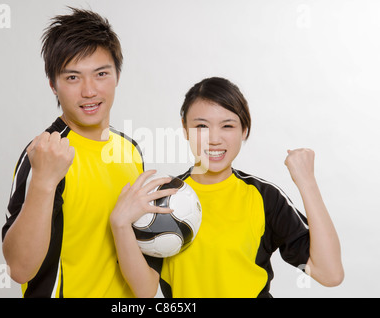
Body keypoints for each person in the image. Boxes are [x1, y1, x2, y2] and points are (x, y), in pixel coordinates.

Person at [110, 77, 344, 297]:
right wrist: (120, 225)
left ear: (244, 130)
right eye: (201, 126)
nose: (214, 139)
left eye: (227, 126)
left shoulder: (264, 197)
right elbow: (144, 290)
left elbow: (329, 274)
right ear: (185, 129)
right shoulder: (163, 197)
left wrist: (307, 182)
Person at [1, 8, 175, 298]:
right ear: (53, 85)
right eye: (72, 78)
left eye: (101, 74)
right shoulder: (46, 153)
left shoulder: (129, 150)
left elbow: (141, 274)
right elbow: (19, 269)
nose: (89, 91)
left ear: (117, 75)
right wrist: (44, 181)